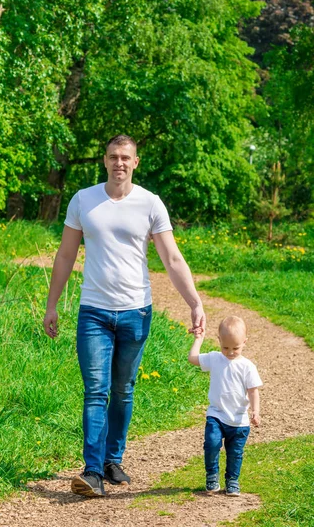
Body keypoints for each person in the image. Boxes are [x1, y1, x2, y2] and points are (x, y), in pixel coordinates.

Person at [43, 134, 206, 498]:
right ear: (104, 160)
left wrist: (194, 302)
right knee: (96, 391)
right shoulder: (84, 200)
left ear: (135, 162)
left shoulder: (150, 203)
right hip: (94, 313)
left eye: (126, 157)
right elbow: (66, 255)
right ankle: (93, 470)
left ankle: (113, 459)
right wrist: (52, 304)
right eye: (113, 156)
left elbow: (172, 259)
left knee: (123, 390)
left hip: (136, 312)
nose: (119, 162)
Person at [188, 315, 262, 496]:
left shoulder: (247, 366)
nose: (230, 352)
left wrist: (255, 411)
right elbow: (193, 358)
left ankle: (232, 480)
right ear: (219, 340)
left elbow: (253, 391)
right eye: (225, 347)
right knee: (212, 444)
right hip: (217, 414)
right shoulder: (214, 358)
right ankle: (212, 475)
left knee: (235, 453)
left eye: (235, 348)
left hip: (239, 420)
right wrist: (199, 339)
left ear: (245, 342)